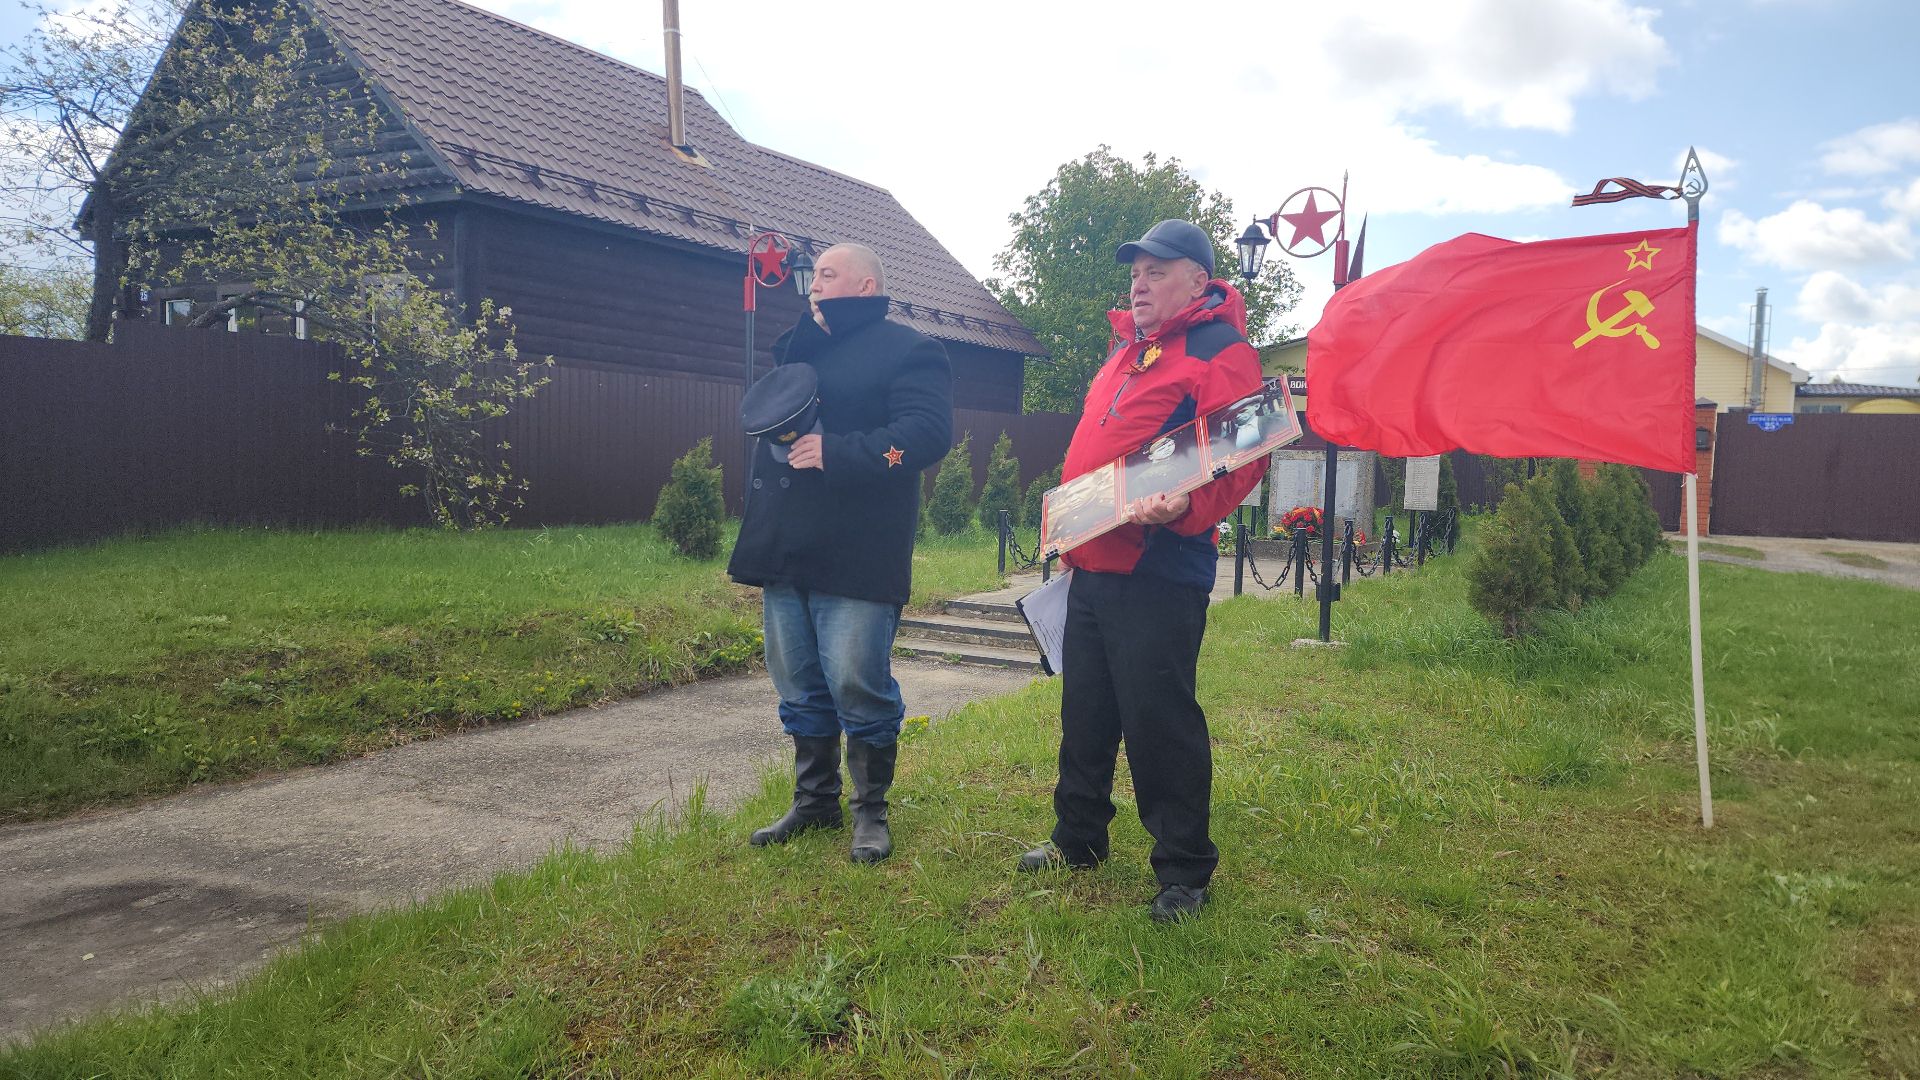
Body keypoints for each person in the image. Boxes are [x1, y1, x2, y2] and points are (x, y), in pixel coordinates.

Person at [1017, 219, 1265, 923]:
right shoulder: (1127, 348)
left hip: (1159, 565)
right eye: (1135, 273)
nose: (1140, 283)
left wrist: (1187, 504)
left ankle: (1183, 869)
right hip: (1092, 563)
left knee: (1159, 721)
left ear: (1198, 280)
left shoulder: (1221, 350)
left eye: (1157, 271)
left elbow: (1246, 455)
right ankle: (1078, 839)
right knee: (1085, 713)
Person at [727, 243, 953, 864]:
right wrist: (808, 334)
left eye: (828, 275)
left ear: (866, 285)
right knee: (797, 680)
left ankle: (870, 812)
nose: (815, 285)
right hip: (786, 540)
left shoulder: (911, 349)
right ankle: (814, 801)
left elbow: (927, 435)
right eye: (815, 276)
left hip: (860, 547)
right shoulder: (802, 344)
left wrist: (841, 453)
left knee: (856, 680)